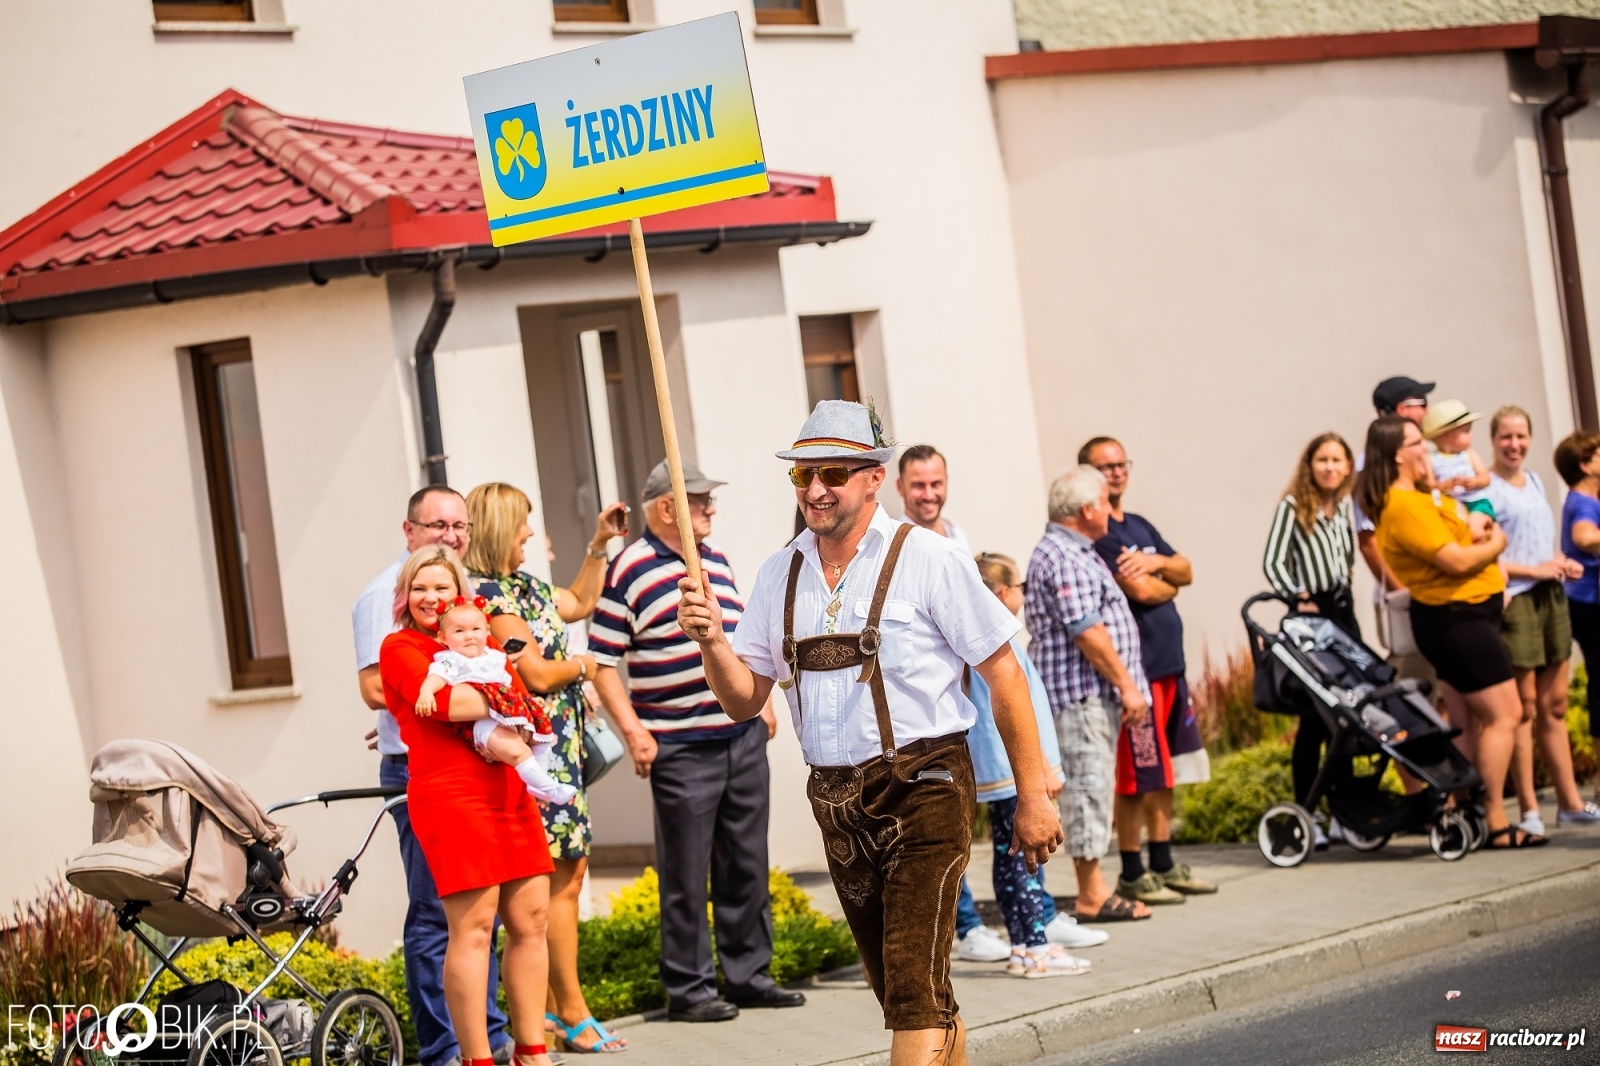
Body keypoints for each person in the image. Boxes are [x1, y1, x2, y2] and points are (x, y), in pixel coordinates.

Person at [677, 400, 1063, 1066]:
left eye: (832, 473)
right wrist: (711, 642)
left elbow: (1004, 673)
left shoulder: (931, 559)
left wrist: (1033, 794)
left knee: (914, 997)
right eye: (803, 477)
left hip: (926, 789)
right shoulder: (780, 573)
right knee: (915, 995)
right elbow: (744, 701)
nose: (815, 490)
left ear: (873, 477)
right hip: (835, 803)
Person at [588, 459, 794, 1024]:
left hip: (740, 734)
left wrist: (765, 702)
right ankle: (690, 989)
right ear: (666, 507)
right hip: (680, 745)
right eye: (700, 500)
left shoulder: (716, 561)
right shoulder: (629, 568)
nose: (710, 509)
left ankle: (750, 975)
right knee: (686, 872)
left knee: (747, 862)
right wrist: (634, 732)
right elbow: (603, 660)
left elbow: (745, 641)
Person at [463, 483, 629, 1053]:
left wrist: (599, 545)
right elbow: (533, 673)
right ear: (497, 530)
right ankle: (570, 1011)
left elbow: (580, 603)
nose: (530, 535)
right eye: (522, 527)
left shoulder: (525, 588)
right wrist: (585, 665)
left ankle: (558, 1014)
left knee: (570, 876)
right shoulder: (488, 597)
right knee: (556, 882)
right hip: (537, 757)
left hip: (558, 752)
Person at [351, 486, 512, 1066]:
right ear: (410, 529)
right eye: (437, 525)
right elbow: (376, 685)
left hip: (476, 762)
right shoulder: (386, 597)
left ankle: (489, 1039)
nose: (450, 535)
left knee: (479, 916)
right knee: (435, 914)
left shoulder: (462, 599)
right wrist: (430, 707)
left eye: (459, 525)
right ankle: (444, 1049)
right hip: (421, 766)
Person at [378, 545, 556, 1066]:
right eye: (419, 588)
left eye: (440, 587)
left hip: (507, 789)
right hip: (452, 795)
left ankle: (532, 1051)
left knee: (532, 921)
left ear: (458, 593)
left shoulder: (480, 639)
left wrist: (508, 693)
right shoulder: (401, 647)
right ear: (405, 596)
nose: (430, 598)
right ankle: (477, 1060)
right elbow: (448, 706)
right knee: (474, 929)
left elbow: (522, 703)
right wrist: (506, 691)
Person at [1358, 416, 1544, 848]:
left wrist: (1476, 533)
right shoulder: (1401, 505)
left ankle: (1462, 805)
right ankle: (1496, 820)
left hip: (1466, 615)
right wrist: (1496, 544)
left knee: (1464, 721)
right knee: (1506, 714)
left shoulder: (1424, 497)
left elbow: (1461, 533)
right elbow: (1456, 560)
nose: (1425, 448)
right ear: (1397, 454)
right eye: (1415, 443)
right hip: (1457, 620)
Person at [1079, 437, 1215, 905]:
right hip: (1138, 673)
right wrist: (1164, 581)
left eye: (1121, 465)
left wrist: (1157, 563)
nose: (1116, 473)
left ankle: (1163, 860)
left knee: (1166, 771)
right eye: (1105, 467)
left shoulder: (1138, 525)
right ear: (1086, 475)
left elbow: (1186, 570)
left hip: (1170, 667)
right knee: (1137, 775)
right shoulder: (1099, 535)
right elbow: (1144, 593)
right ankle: (1134, 870)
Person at [1025, 464, 1153, 924]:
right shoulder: (1064, 555)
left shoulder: (1077, 550)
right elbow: (1087, 630)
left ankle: (1094, 887)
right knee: (1087, 789)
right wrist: (1127, 685)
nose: (1108, 509)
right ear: (1085, 509)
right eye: (1102, 501)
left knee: (1095, 788)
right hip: (1080, 697)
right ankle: (1090, 894)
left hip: (1086, 696)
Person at [970, 552, 1109, 973]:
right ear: (1001, 594)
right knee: (1025, 859)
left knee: (1006, 855)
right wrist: (1043, 767)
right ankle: (1035, 947)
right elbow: (1018, 708)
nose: (1024, 596)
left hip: (1004, 771)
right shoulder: (996, 640)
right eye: (1021, 588)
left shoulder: (986, 637)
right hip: (1013, 771)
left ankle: (1022, 945)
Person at [1488, 411, 1600, 831]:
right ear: (1494, 440)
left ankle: (1570, 801)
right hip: (1517, 600)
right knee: (1523, 707)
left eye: (1520, 436)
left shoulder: (1534, 480)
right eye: (1505, 437)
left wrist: (1559, 563)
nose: (1513, 444)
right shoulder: (1489, 488)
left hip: (1552, 596)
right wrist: (1536, 571)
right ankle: (1530, 809)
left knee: (1554, 704)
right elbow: (1494, 557)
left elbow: (1538, 545)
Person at [1262, 432, 1358, 844]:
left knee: (1350, 714)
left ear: (1348, 466)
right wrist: (1299, 596)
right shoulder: (1293, 506)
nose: (1330, 467)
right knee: (1315, 720)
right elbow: (1272, 561)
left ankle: (1345, 810)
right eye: (1322, 460)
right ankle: (1308, 810)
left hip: (1342, 610)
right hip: (1311, 615)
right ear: (1310, 465)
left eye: (1337, 460)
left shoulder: (1343, 506)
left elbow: (1347, 556)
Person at [413, 597, 573, 804]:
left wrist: (527, 703)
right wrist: (426, 693)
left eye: (475, 629)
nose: (469, 636)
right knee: (518, 751)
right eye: (459, 631)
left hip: (507, 712)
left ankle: (540, 781)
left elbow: (510, 686)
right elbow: (436, 676)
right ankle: (550, 788)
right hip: (482, 721)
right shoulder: (452, 659)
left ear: (487, 630)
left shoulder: (494, 657)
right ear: (443, 637)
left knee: (542, 738)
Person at [1355, 377, 1440, 688]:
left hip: (1433, 591)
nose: (1429, 410)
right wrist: (1403, 591)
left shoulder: (1425, 457)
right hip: (1406, 595)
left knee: (1443, 689)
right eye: (1422, 404)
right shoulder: (1372, 468)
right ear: (1404, 409)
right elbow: (1368, 541)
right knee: (1416, 684)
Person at [1556, 432, 1600, 775]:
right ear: (1585, 465)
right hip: (1590, 602)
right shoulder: (1584, 502)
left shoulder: (1586, 499)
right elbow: (1584, 537)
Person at [1424, 400, 1495, 538]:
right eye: (1466, 431)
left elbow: (1485, 478)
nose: (1471, 436)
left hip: (1476, 503)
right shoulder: (1431, 459)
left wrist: (1474, 482)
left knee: (1474, 532)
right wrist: (1446, 485)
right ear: (1446, 436)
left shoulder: (1469, 454)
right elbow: (1429, 486)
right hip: (1449, 506)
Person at [896, 444, 970, 553]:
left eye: (936, 484)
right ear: (900, 487)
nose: (929, 495)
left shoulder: (957, 535)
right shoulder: (898, 548)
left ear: (946, 481)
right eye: (919, 485)